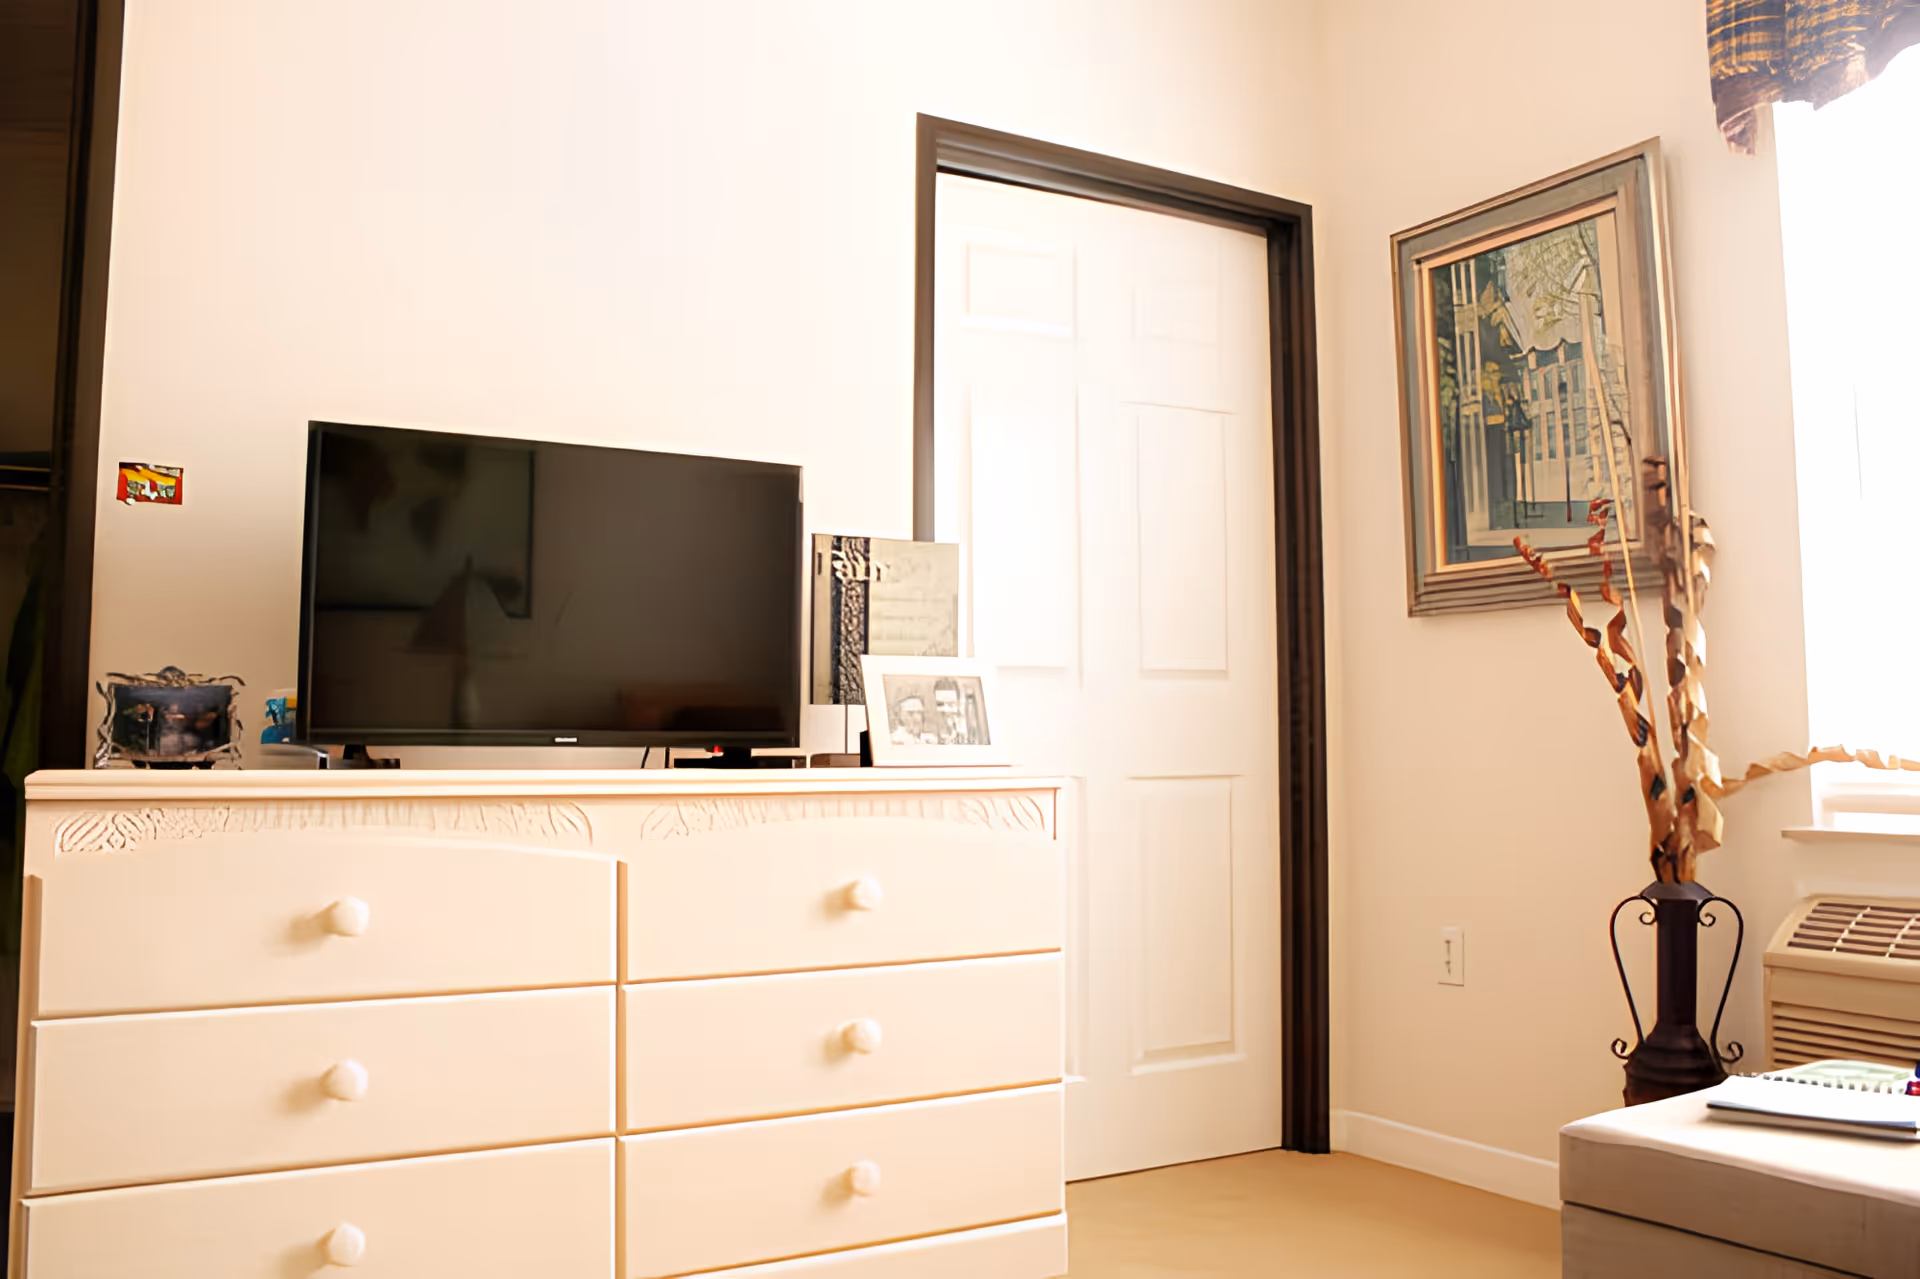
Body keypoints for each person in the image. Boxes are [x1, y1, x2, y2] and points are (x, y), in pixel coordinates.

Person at [933, 677, 969, 745]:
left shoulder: (964, 726)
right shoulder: (937, 725)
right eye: (940, 704)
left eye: (950, 704)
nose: (946, 709)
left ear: (958, 702)